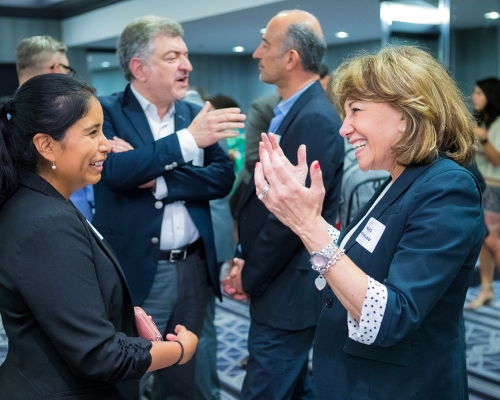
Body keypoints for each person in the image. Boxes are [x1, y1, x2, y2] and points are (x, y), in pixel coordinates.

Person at [254, 45, 484, 399]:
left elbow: (392, 316)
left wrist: (309, 226)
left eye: (355, 111)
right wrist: (307, 216)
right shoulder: (398, 180)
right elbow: (359, 257)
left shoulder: (447, 187)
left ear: (406, 114)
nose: (344, 128)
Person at [0, 74, 198, 400]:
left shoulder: (42, 202)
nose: (106, 144)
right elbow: (99, 356)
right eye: (92, 132)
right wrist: (179, 351)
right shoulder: (45, 224)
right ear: (46, 145)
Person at [92, 15, 244, 399]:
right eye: (173, 56)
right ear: (138, 67)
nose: (187, 66)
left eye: (186, 55)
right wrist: (187, 143)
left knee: (184, 373)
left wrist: (156, 177)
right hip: (137, 266)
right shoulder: (104, 111)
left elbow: (222, 178)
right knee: (130, 372)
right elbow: (112, 171)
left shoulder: (195, 113)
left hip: (194, 266)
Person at [223, 10, 344, 399]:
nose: (257, 53)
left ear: (291, 58)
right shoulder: (292, 110)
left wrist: (251, 274)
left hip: (287, 289)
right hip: (280, 282)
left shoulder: (314, 119)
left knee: (264, 389)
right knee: (293, 388)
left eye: (266, 45)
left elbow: (291, 220)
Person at [15, 35, 95, 220]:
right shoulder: (13, 121)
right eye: (68, 69)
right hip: (51, 221)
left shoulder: (9, 117)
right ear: (55, 68)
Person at [469, 77, 500, 309]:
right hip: (482, 186)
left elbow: (496, 159)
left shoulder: (497, 124)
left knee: (492, 240)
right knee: (483, 240)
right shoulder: (481, 121)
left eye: (479, 93)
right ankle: (487, 289)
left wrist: (483, 137)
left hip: (496, 188)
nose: (473, 96)